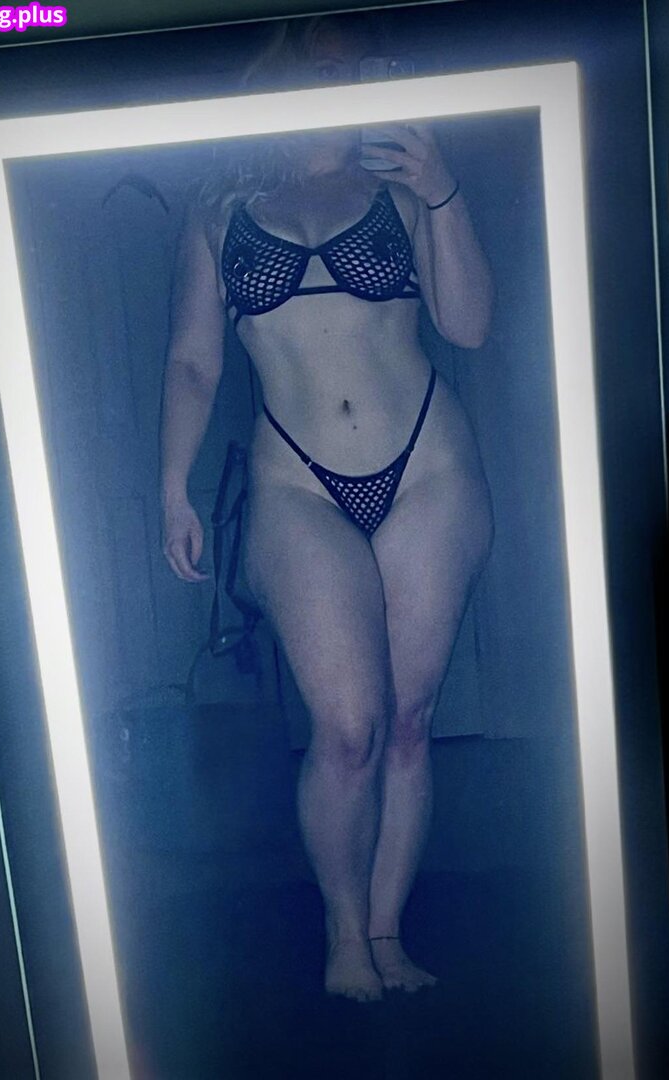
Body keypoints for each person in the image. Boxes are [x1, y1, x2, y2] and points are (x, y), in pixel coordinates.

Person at [160, 15, 494, 1003]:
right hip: (296, 482)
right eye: (329, 68)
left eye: (362, 70)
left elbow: (470, 324)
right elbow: (193, 360)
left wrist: (443, 189)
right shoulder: (220, 208)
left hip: (427, 466)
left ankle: (387, 935)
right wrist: (171, 485)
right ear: (285, 79)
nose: (348, 85)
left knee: (410, 722)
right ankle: (344, 935)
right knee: (348, 728)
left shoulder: (405, 185)